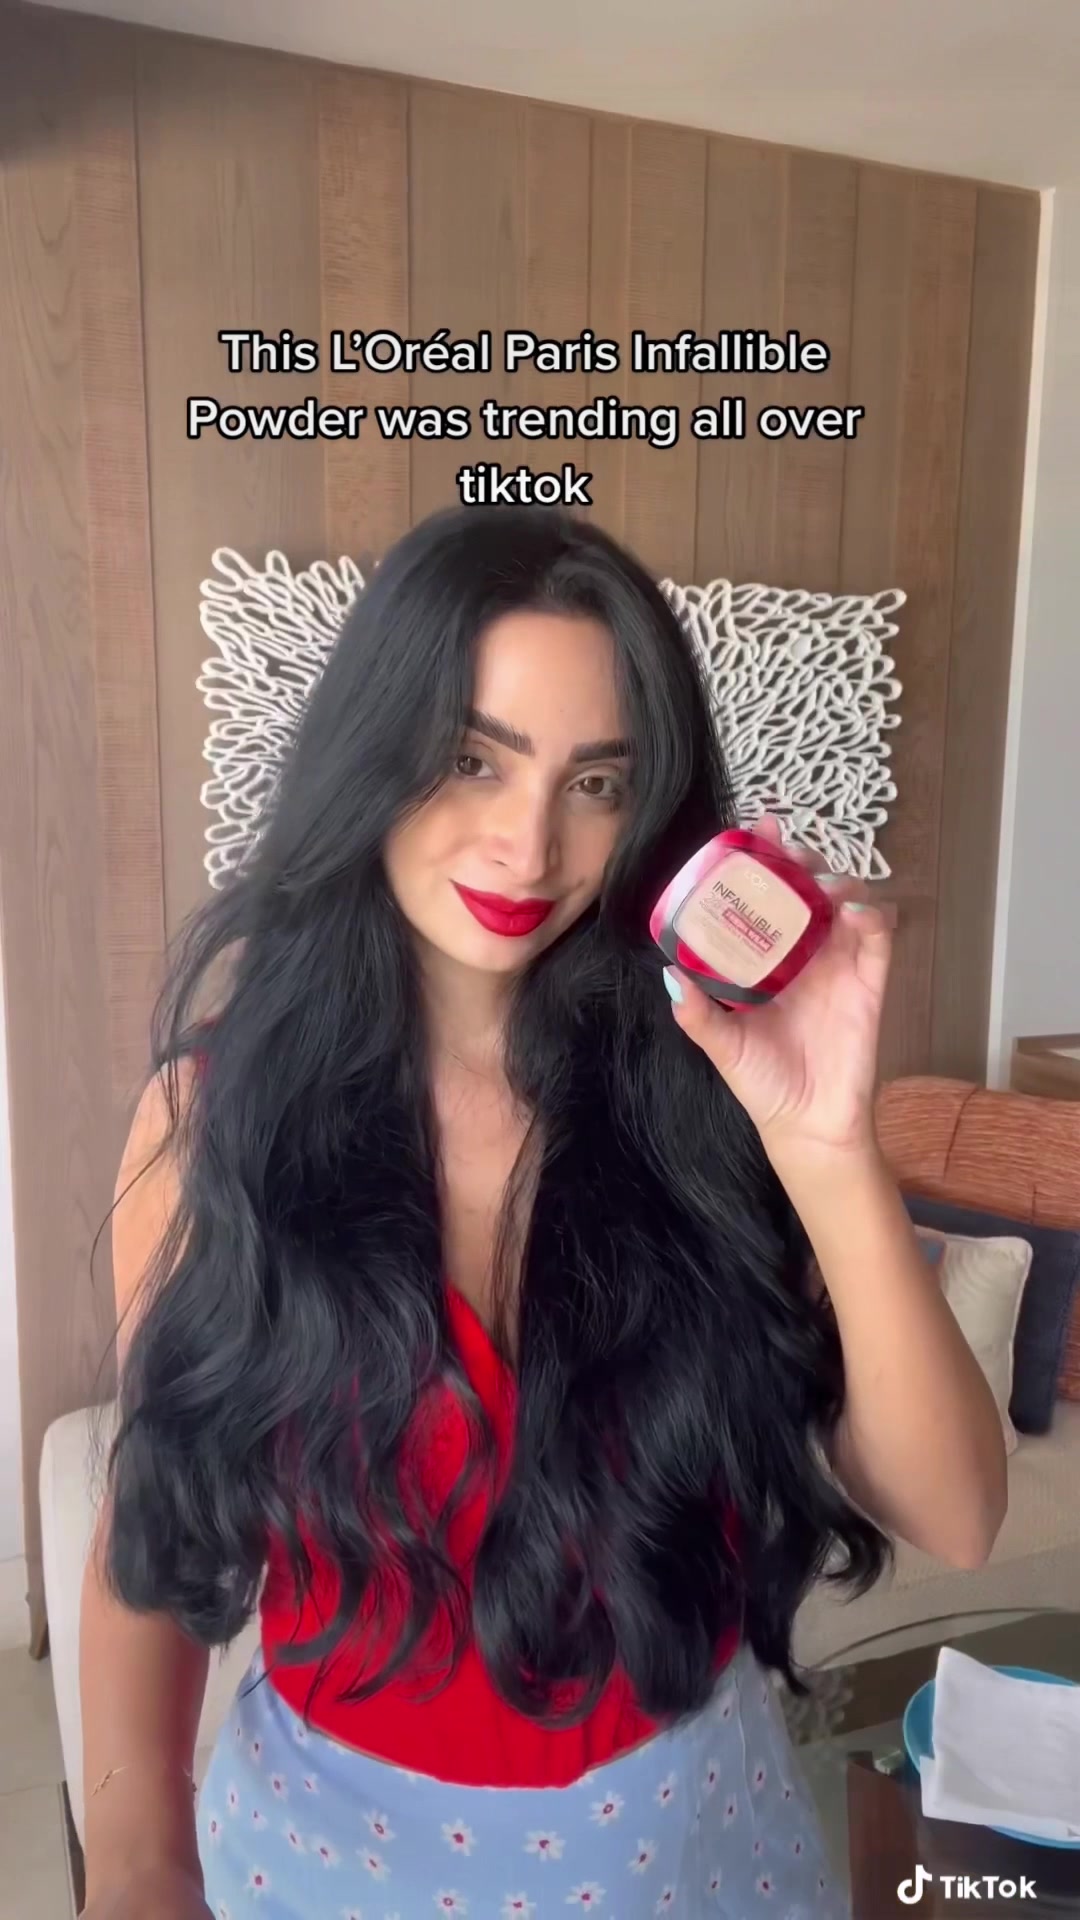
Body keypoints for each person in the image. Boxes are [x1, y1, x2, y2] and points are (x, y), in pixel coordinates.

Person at [79, 506, 1006, 1920]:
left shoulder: (711, 1101)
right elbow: (161, 1503)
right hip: (329, 1859)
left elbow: (958, 1513)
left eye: (597, 782)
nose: (528, 845)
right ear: (372, 752)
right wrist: (139, 1858)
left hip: (696, 1851)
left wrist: (826, 1149)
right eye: (473, 759)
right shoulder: (215, 1122)